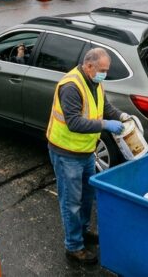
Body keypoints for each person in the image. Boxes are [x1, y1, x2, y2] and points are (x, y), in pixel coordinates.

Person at [47, 48, 132, 265]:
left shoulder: (94, 81)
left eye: (106, 70)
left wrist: (121, 116)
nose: (105, 73)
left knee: (86, 197)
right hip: (67, 153)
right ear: (89, 66)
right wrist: (105, 125)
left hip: (86, 151)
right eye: (102, 70)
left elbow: (104, 107)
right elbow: (74, 122)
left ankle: (83, 233)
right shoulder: (71, 86)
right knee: (71, 202)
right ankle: (73, 247)